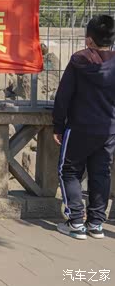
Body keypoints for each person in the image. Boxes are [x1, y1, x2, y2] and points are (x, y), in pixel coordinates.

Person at [53, 14, 115, 240]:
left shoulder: (78, 61)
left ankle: (76, 222)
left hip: (79, 127)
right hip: (108, 129)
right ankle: (96, 224)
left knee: (69, 171)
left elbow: (63, 96)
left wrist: (58, 125)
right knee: (101, 173)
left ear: (89, 39)